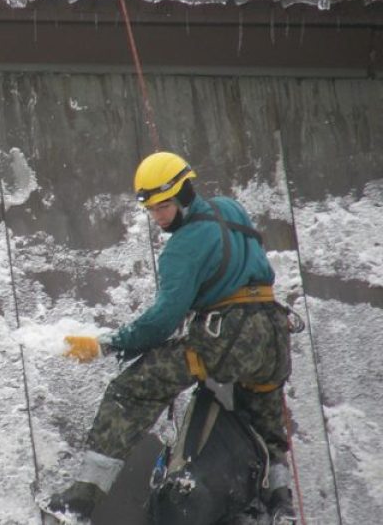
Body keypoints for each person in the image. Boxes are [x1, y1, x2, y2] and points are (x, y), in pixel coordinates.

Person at [48, 152, 297, 523]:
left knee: (132, 390)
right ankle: (279, 503)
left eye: (163, 206)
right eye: (152, 210)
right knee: (264, 421)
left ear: (184, 193)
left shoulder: (181, 248)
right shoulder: (230, 208)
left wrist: (110, 343)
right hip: (274, 335)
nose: (158, 217)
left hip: (227, 338)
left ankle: (80, 501)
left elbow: (163, 321)